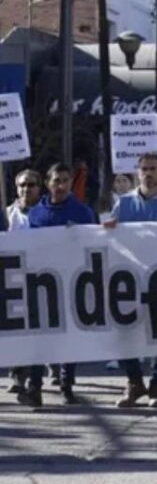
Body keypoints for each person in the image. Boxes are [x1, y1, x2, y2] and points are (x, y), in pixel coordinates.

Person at [104, 152, 157, 409]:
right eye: (144, 169)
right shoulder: (123, 204)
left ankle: (156, 387)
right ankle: (134, 383)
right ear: (137, 173)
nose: (148, 174)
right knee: (127, 334)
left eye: (153, 169)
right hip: (127, 280)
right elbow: (109, 238)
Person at [17, 163, 96, 408]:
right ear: (48, 184)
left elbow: (94, 243)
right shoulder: (36, 214)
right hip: (42, 284)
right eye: (56, 181)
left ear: (70, 183)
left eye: (65, 180)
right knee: (40, 338)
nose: (60, 185)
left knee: (68, 337)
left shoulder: (82, 212)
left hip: (72, 282)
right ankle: (35, 386)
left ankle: (66, 384)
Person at [5, 169, 42, 394]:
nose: (26, 189)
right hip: (14, 280)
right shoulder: (7, 214)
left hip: (42, 278)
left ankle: (52, 367)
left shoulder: (45, 213)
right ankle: (18, 375)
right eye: (22, 185)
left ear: (40, 188)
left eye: (31, 185)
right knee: (17, 331)